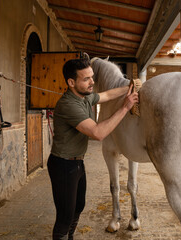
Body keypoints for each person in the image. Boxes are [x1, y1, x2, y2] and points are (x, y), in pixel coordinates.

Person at [47, 58, 138, 240]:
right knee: (65, 216)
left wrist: (131, 87)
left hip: (77, 163)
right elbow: (98, 133)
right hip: (63, 166)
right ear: (71, 82)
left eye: (92, 77)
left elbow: (106, 95)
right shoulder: (69, 105)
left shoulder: (85, 97)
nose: (92, 82)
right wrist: (126, 106)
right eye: (86, 79)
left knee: (78, 207)